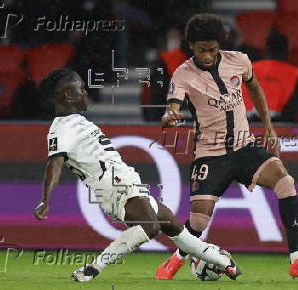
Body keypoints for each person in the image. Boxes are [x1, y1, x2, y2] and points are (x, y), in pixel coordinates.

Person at [156, 13, 298, 280]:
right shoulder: (183, 73)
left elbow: (256, 88)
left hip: (245, 148)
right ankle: (176, 260)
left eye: (212, 49)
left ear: (220, 44)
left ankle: (297, 259)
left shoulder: (239, 60)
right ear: (191, 46)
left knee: (285, 182)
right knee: (199, 222)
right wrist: (171, 115)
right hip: (210, 154)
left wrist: (269, 126)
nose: (208, 55)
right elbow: (173, 105)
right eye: (201, 50)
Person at [32, 68, 242, 282]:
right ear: (68, 95)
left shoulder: (78, 121)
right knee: (150, 227)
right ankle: (92, 269)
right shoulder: (61, 129)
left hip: (128, 181)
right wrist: (45, 200)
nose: (86, 93)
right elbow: (54, 164)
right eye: (81, 89)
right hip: (111, 187)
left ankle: (224, 262)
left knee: (173, 225)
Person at [244, 29, 298, 122]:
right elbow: (292, 109)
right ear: (287, 50)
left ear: (266, 49)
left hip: (248, 124)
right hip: (277, 125)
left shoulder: (250, 69)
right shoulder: (294, 73)